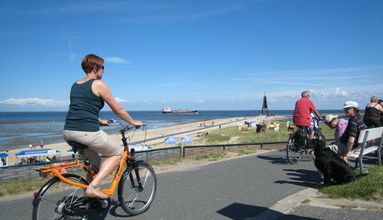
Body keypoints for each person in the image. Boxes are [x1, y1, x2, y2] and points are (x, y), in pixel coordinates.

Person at [63, 54, 143, 199]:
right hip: (86, 132)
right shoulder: (98, 84)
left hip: (68, 131)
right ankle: (92, 188)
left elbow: (81, 109)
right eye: (103, 67)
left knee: (94, 163)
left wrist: (99, 120)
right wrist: (133, 122)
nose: (104, 71)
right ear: (95, 68)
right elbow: (118, 110)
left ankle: (90, 198)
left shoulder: (75, 85)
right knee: (117, 153)